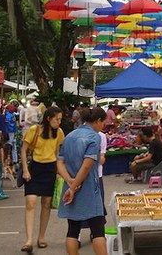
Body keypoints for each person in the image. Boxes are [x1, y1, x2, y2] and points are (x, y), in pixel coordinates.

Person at [57, 107, 106, 255]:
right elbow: (87, 165)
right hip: (89, 188)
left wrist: (70, 181)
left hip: (70, 186)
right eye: (103, 123)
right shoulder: (94, 137)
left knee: (72, 229)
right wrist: (75, 185)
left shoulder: (70, 135)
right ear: (98, 121)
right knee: (98, 230)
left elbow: (60, 162)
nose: (102, 126)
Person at [20, 106, 64, 253]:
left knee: (46, 203)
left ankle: (41, 237)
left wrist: (59, 172)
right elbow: (24, 149)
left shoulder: (59, 133)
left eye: (60, 119)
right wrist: (25, 170)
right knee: (30, 202)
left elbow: (58, 153)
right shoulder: (35, 130)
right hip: (35, 168)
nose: (59, 122)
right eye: (57, 119)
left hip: (50, 168)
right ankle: (29, 240)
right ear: (48, 118)